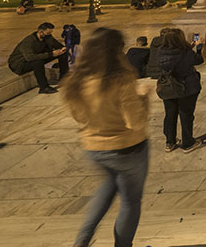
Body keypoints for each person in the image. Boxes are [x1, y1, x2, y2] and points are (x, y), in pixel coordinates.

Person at [62, 28, 149, 247]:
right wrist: (143, 98)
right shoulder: (121, 80)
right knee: (130, 202)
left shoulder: (76, 81)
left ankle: (82, 240)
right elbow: (135, 122)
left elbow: (80, 117)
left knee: (110, 184)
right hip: (127, 148)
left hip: (94, 148)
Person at [156, 29, 203, 153]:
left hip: (168, 88)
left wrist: (189, 48)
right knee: (186, 114)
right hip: (186, 88)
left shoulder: (160, 52)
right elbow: (199, 60)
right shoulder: (185, 52)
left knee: (170, 114)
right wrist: (199, 47)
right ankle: (188, 143)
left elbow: (174, 59)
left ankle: (170, 142)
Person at [8, 22, 69, 93]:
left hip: (35, 57)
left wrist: (62, 48)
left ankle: (63, 77)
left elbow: (56, 44)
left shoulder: (47, 37)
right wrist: (51, 54)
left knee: (63, 53)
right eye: (48, 33)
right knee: (38, 62)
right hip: (20, 64)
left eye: (50, 33)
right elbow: (30, 58)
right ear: (41, 32)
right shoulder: (28, 41)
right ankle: (44, 87)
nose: (49, 35)